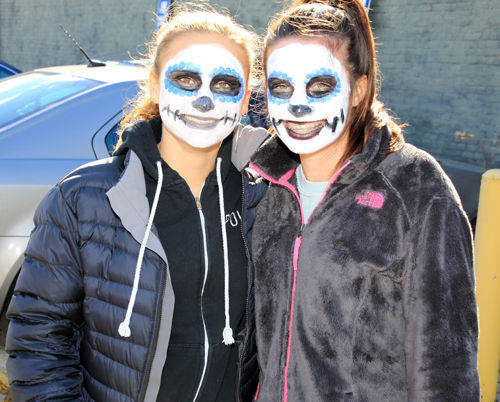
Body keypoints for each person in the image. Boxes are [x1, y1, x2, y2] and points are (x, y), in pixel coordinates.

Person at [5, 8, 268, 402]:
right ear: (155, 85)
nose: (204, 98)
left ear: (246, 97)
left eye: (226, 83)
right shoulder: (82, 198)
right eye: (185, 78)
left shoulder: (266, 198)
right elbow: (38, 341)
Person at [249, 0, 480, 401]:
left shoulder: (416, 186)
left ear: (358, 89)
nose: (298, 105)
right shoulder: (264, 189)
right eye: (281, 87)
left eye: (320, 86)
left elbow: (446, 364)